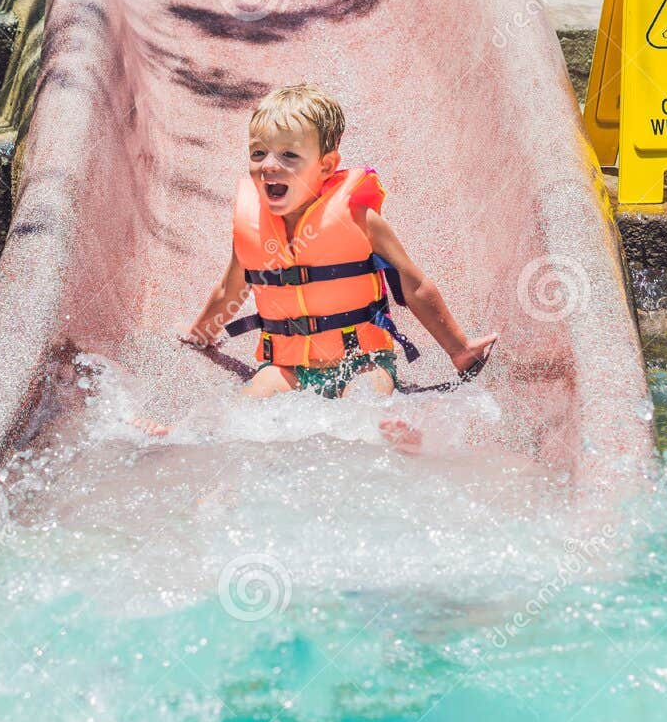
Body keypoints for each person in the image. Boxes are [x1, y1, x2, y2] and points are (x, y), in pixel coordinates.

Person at [164, 83, 497, 450]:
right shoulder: (255, 227)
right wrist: (201, 331)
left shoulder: (358, 218)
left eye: (289, 155)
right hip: (287, 367)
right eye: (258, 153)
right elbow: (231, 289)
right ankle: (187, 438)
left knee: (368, 393)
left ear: (326, 166)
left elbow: (415, 287)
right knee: (252, 402)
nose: (269, 166)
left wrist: (459, 349)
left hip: (361, 357)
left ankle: (390, 434)